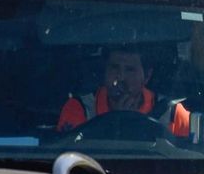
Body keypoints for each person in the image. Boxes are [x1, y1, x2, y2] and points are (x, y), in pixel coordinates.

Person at [57, 47, 192, 137]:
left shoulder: (172, 114)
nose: (120, 77)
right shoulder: (78, 109)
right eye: (114, 68)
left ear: (147, 76)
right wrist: (116, 121)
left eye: (130, 70)